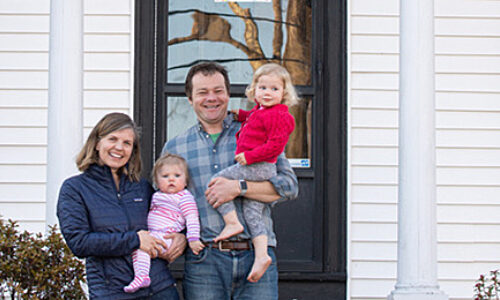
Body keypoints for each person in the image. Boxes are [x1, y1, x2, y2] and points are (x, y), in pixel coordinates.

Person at [162, 62, 299, 300]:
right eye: (203, 92)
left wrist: (239, 187)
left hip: (257, 255)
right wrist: (182, 236)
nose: (211, 98)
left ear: (228, 94)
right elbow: (167, 205)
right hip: (205, 261)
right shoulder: (175, 148)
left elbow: (289, 187)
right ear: (190, 99)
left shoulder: (257, 131)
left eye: (218, 91)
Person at [57, 112, 185, 299]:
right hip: (112, 291)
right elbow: (79, 243)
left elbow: (172, 215)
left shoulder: (142, 187)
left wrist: (182, 238)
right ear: (97, 142)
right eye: (113, 139)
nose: (119, 147)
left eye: (127, 143)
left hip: (160, 288)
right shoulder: (75, 189)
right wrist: (135, 240)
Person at [211, 63, 299, 283]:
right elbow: (252, 117)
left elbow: (275, 146)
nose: (267, 93)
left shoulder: (280, 116)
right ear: (254, 90)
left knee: (217, 181)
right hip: (256, 166)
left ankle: (231, 222)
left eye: (274, 89)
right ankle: (262, 255)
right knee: (253, 213)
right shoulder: (262, 111)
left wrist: (250, 157)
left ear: (284, 93)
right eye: (262, 88)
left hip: (257, 166)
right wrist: (240, 114)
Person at [124, 153, 204, 293]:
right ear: (156, 181)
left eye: (177, 176)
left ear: (186, 181)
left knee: (141, 248)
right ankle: (142, 276)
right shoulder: (157, 195)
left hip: (167, 236)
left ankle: (141, 275)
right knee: (141, 247)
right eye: (165, 176)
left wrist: (193, 239)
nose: (171, 179)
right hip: (155, 234)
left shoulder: (184, 197)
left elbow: (192, 218)